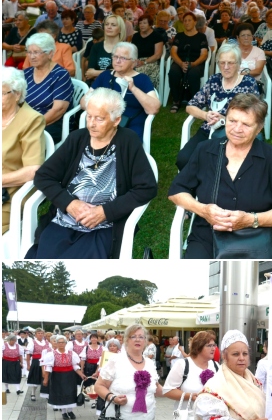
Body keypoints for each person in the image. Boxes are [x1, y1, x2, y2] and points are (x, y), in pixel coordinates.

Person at [29, 87, 157, 258]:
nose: (91, 123)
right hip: (65, 220)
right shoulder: (77, 139)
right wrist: (69, 204)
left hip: (104, 227)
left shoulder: (128, 142)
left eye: (99, 119)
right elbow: (43, 176)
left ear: (116, 120)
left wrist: (105, 212)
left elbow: (146, 188)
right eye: (89, 116)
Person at [169, 92, 272, 258]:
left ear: (259, 128)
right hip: (206, 237)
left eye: (246, 124)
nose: (237, 129)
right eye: (232, 121)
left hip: (252, 240)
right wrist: (203, 210)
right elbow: (176, 191)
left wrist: (251, 220)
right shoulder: (205, 150)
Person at [175, 42, 261, 169]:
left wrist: (225, 120)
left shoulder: (248, 84)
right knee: (183, 160)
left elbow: (254, 115)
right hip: (208, 129)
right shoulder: (214, 80)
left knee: (219, 165)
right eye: (222, 62)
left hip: (235, 133)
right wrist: (206, 115)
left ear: (238, 64)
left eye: (230, 63)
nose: (226, 67)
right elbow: (190, 106)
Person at [2, 65, 45, 234]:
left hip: (9, 194)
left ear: (17, 94)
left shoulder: (31, 120)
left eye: (2, 93)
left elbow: (32, 171)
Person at [91, 41, 161, 139]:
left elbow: (154, 108)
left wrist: (133, 88)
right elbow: (83, 103)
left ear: (134, 62)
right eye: (115, 56)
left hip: (132, 122)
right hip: (105, 121)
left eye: (123, 58)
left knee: (126, 144)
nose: (117, 61)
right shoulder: (105, 76)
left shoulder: (142, 79)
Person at [21, 32, 72, 141]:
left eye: (36, 52)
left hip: (50, 123)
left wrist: (33, 125)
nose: (32, 57)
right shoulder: (26, 73)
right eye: (29, 52)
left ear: (50, 54)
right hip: (26, 121)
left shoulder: (60, 75)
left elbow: (58, 110)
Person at [168, 11, 209, 111]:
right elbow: (173, 52)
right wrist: (181, 63)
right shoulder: (179, 36)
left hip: (196, 63)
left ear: (195, 22)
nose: (186, 23)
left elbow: (204, 54)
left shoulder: (201, 37)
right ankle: (176, 100)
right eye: (185, 21)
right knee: (173, 72)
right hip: (180, 62)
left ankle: (194, 101)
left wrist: (194, 63)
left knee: (193, 74)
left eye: (189, 20)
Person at [43, 334, 84, 419]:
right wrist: (46, 379)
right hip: (57, 377)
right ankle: (63, 412)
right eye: (59, 342)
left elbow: (75, 366)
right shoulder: (52, 354)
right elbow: (48, 367)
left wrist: (81, 374)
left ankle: (70, 411)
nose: (61, 344)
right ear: (56, 344)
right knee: (60, 393)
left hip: (69, 376)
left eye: (63, 342)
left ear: (66, 343)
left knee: (70, 392)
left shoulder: (71, 353)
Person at [129, 15, 166, 92]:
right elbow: (132, 51)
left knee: (137, 72)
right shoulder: (136, 36)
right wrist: (134, 61)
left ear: (150, 24)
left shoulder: (157, 36)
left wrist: (144, 62)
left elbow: (157, 55)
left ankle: (140, 94)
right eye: (140, 23)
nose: (142, 25)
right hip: (137, 61)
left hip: (151, 62)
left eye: (145, 23)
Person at [85, 14, 125, 82]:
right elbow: (89, 73)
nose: (109, 27)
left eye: (113, 25)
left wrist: (96, 73)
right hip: (96, 85)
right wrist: (112, 72)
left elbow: (122, 72)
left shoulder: (126, 48)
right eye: (106, 24)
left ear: (120, 29)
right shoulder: (96, 46)